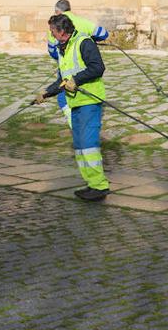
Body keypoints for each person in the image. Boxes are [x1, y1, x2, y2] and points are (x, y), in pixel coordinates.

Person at [35, 13, 111, 201]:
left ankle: (100, 187)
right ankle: (91, 184)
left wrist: (76, 80)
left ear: (61, 32)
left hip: (89, 101)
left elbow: (97, 67)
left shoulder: (84, 42)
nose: (51, 35)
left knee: (88, 145)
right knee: (79, 146)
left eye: (53, 31)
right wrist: (46, 93)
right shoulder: (64, 48)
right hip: (75, 102)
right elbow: (63, 79)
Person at [45, 0, 109, 129]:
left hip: (66, 66)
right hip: (84, 65)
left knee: (63, 94)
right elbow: (103, 34)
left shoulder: (55, 26)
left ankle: (73, 121)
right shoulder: (82, 21)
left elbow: (52, 51)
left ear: (57, 11)